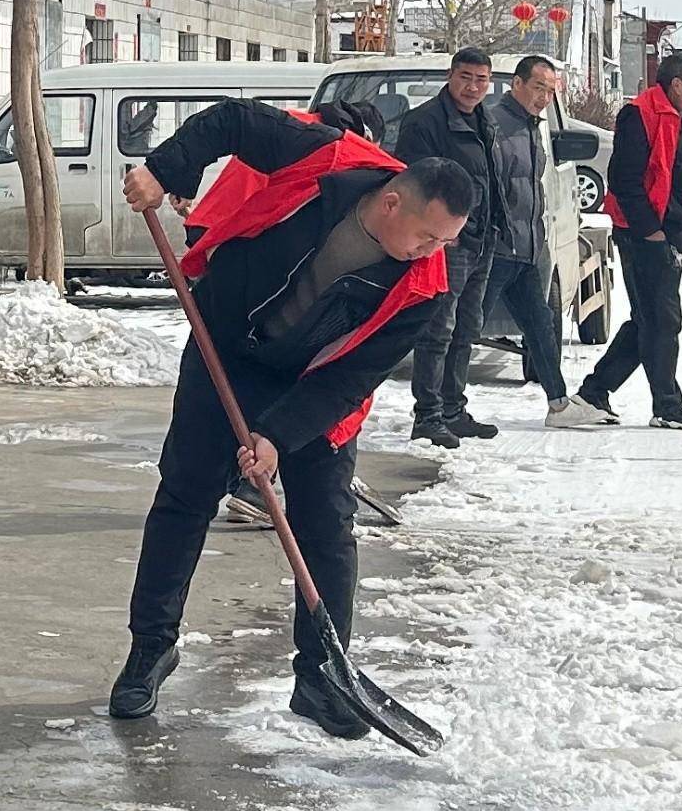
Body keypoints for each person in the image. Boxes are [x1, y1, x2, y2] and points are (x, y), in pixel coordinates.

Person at [103, 99, 472, 742]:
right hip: (225, 344)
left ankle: (322, 676)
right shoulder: (326, 161)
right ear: (392, 203)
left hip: (316, 381)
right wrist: (165, 171)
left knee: (326, 522)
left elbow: (352, 377)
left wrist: (277, 435)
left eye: (445, 241)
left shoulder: (423, 283)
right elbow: (231, 121)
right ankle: (150, 649)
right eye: (427, 236)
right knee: (186, 495)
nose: (433, 252)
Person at [580, 50, 682, 429]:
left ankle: (594, 393)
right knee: (663, 321)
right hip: (645, 236)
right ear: (677, 84)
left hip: (675, 235)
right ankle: (668, 405)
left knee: (648, 320)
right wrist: (651, 232)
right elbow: (624, 180)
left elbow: (676, 166)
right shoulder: (639, 114)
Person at [483, 54, 603, 428]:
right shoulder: (494, 125)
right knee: (464, 330)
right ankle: (439, 408)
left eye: (550, 91)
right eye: (538, 88)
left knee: (541, 326)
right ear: (517, 84)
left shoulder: (531, 126)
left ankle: (558, 404)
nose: (544, 97)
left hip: (527, 246)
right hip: (498, 249)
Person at [394, 48, 506, 444]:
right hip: (446, 242)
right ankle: (428, 414)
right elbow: (413, 180)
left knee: (467, 327)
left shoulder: (485, 119)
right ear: (450, 76)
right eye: (465, 77)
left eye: (481, 79)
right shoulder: (424, 121)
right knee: (438, 328)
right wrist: (436, 233)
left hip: (481, 238)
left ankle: (453, 408)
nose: (473, 87)